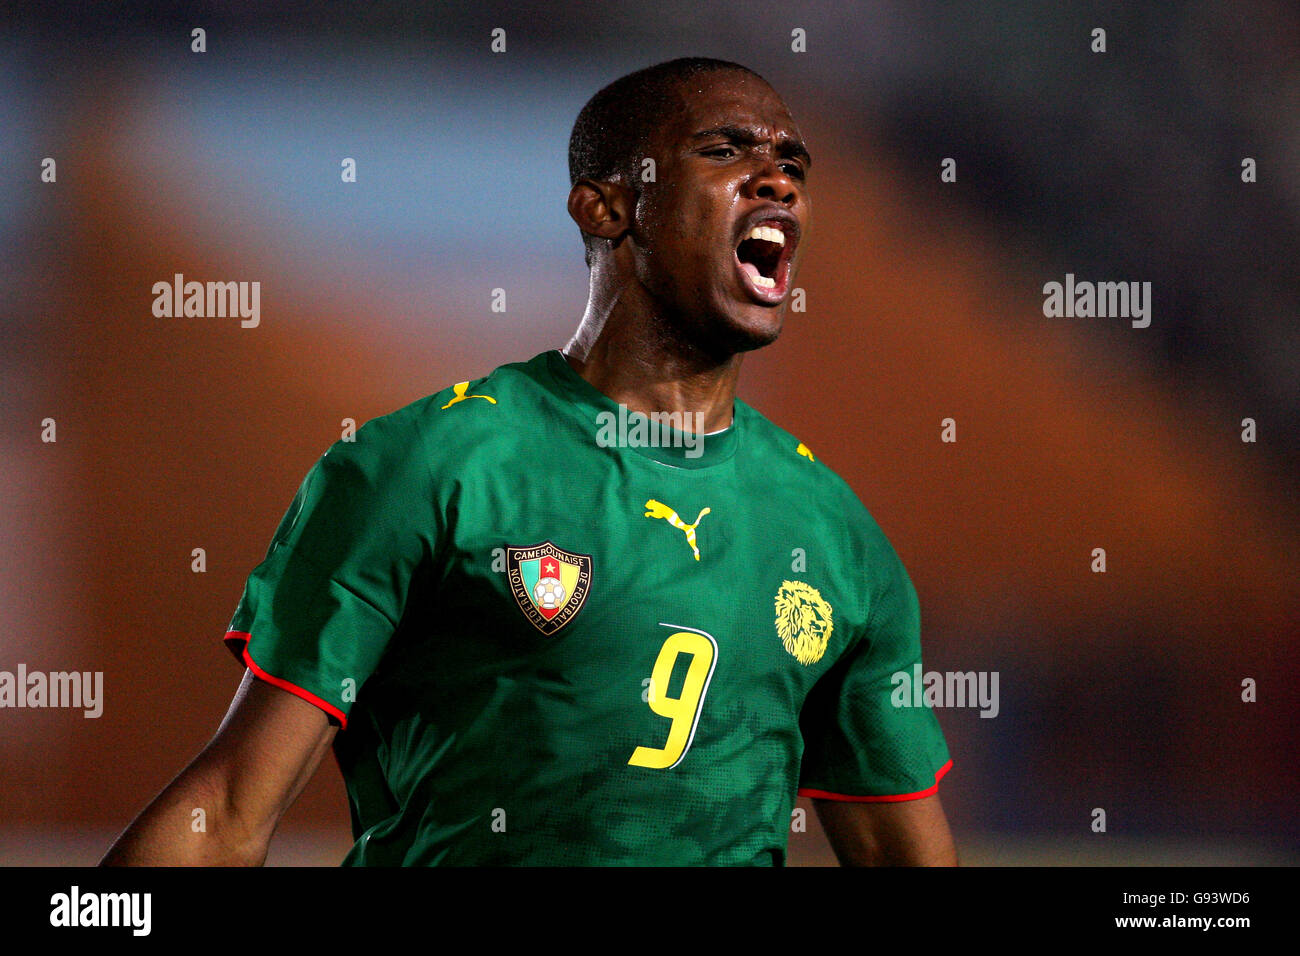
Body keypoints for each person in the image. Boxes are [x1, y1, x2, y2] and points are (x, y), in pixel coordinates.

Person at [102, 56, 956, 866]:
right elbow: (229, 815)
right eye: (726, 151)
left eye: (792, 163)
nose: (779, 179)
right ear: (607, 207)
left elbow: (898, 854)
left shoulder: (834, 534)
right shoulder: (427, 466)